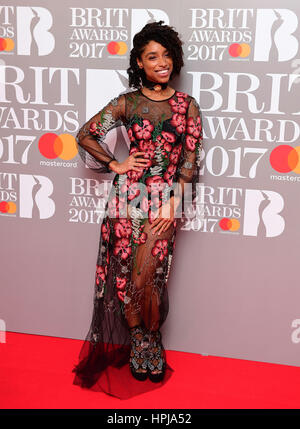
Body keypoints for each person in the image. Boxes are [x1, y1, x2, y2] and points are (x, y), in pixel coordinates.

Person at [72, 21, 203, 400]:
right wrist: (116, 164)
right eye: (152, 57)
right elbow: (86, 133)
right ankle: (139, 344)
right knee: (128, 273)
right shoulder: (127, 102)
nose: (161, 62)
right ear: (140, 64)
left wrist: (175, 202)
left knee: (151, 275)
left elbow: (190, 160)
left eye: (165, 54)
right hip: (127, 199)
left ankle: (152, 339)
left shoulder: (186, 106)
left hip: (164, 201)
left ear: (173, 59)